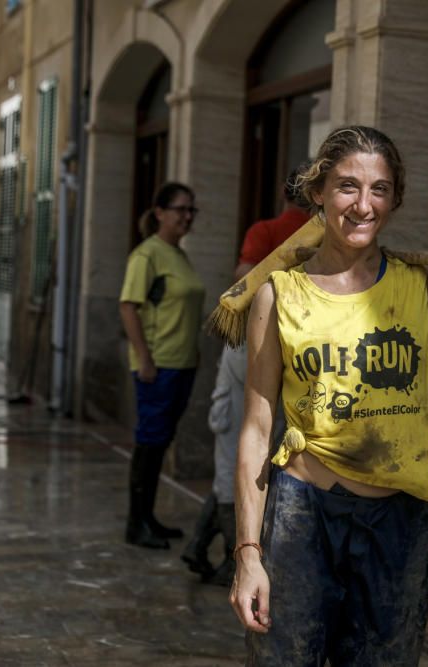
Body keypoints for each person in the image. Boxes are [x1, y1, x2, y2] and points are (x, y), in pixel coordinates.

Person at [229, 126, 428, 665]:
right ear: (319, 192)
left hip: (398, 526)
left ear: (394, 199)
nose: (363, 204)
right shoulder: (278, 294)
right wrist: (248, 555)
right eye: (348, 186)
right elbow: (258, 430)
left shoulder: (421, 286)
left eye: (379, 189)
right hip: (301, 517)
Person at [182, 166, 310, 585]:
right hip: (296, 350)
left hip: (252, 346)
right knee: (260, 450)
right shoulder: (316, 234)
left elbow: (245, 278)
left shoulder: (270, 229)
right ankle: (205, 547)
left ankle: (224, 557)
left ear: (282, 191)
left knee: (235, 452)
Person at [119, 182, 205, 550]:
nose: (187, 217)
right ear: (160, 213)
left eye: (191, 211)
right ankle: (135, 523)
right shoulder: (147, 255)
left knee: (161, 442)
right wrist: (145, 358)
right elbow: (128, 306)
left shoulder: (178, 254)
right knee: (150, 443)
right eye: (180, 209)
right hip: (160, 365)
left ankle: (148, 517)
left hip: (182, 363)